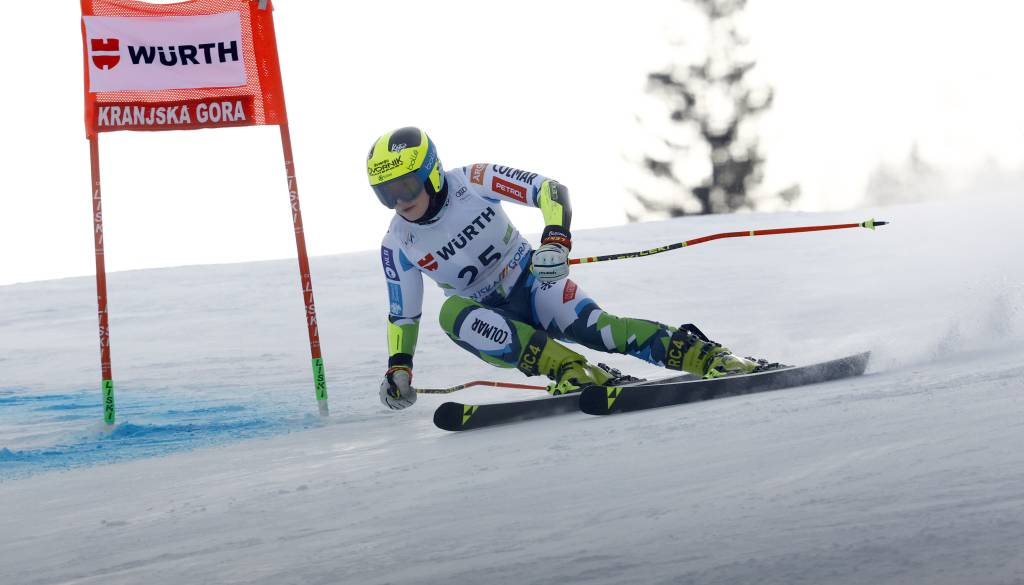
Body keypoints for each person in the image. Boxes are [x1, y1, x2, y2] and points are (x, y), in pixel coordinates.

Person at [369, 127, 763, 410]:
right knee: (451, 312)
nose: (400, 201)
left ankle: (709, 357)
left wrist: (555, 240)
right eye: (387, 194)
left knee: (600, 330)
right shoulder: (397, 243)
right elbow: (403, 315)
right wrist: (399, 369)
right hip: (491, 322)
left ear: (432, 172)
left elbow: (550, 191)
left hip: (534, 284)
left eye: (407, 186)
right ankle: (572, 371)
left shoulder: (473, 181)